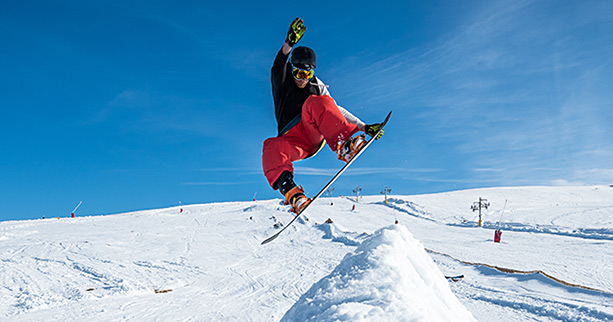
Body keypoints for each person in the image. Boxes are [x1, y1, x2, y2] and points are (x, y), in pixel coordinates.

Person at [262, 17, 384, 214]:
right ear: (292, 70)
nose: (301, 79)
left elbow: (334, 109)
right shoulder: (283, 81)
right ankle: (293, 194)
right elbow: (278, 65)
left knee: (316, 102)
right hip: (292, 141)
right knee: (270, 146)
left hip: (311, 133)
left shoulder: (316, 87)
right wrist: (289, 43)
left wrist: (363, 126)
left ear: (312, 73)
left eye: (306, 75)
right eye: (297, 73)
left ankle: (344, 145)